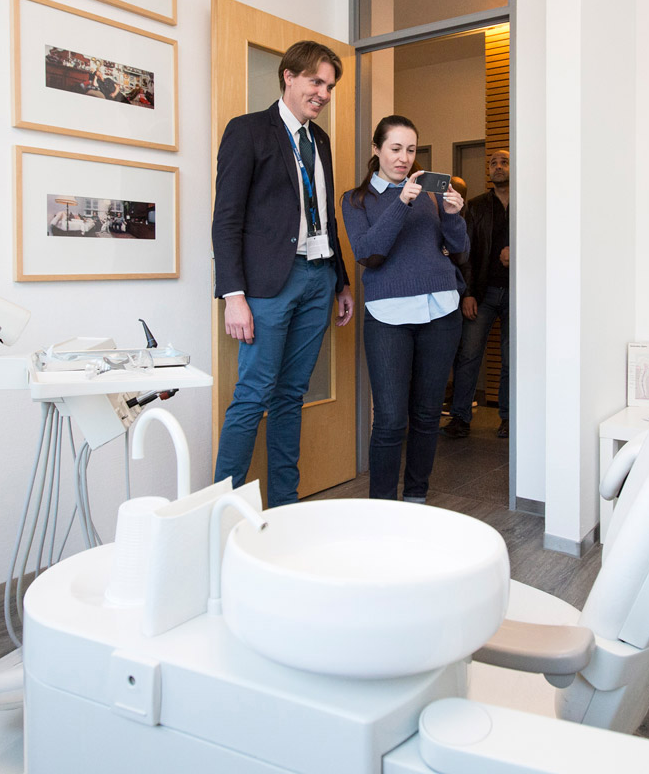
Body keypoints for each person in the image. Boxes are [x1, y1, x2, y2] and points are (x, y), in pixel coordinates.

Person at [212, 41, 355, 506]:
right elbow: (226, 219)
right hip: (269, 284)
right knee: (253, 395)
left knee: (291, 394)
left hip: (319, 278)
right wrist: (233, 295)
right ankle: (221, 513)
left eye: (329, 86)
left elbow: (326, 216)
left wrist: (341, 280)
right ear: (289, 76)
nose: (324, 94)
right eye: (316, 82)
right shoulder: (248, 131)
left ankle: (284, 505)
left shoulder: (321, 140)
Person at [342, 117, 467, 503]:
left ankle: (416, 499)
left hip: (441, 311)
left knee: (428, 415)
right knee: (391, 419)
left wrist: (452, 214)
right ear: (376, 149)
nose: (404, 158)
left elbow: (460, 250)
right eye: (395, 149)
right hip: (388, 317)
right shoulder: (356, 200)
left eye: (411, 150)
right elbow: (369, 253)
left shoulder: (431, 195)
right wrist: (400, 203)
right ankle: (381, 507)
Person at [443, 149, 510, 439]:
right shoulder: (477, 206)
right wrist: (467, 293)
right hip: (482, 292)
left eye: (504, 162)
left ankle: (509, 418)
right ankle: (460, 417)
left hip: (519, 294)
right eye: (493, 163)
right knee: (468, 354)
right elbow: (465, 252)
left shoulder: (529, 203)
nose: (498, 167)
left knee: (511, 358)